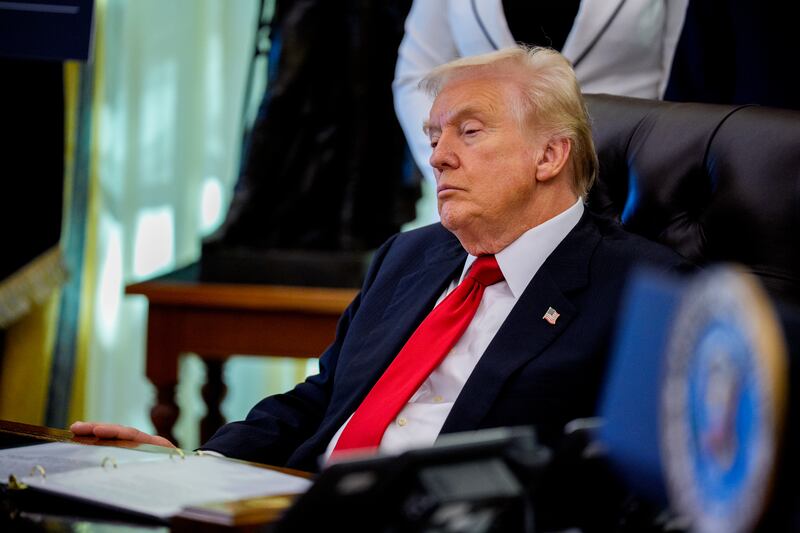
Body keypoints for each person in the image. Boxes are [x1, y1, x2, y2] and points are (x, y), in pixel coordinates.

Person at [72, 46, 690, 475]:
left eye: (468, 133)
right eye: (435, 137)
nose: (439, 156)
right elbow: (321, 401)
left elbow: (619, 476)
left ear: (550, 155)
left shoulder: (643, 289)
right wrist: (194, 469)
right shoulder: (409, 255)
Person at [394, 0, 689, 209]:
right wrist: (460, 165)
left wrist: (655, 179)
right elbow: (417, 77)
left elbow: (683, 71)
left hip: (630, 187)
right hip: (489, 198)